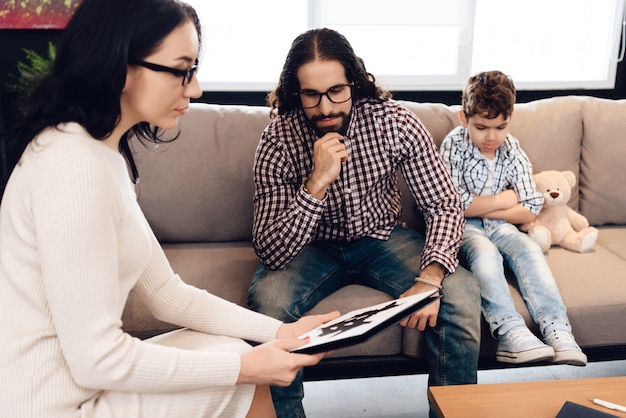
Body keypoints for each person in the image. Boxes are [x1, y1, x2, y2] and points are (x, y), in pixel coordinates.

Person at [0, 1, 339, 417]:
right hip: (52, 404)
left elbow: (167, 294)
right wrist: (244, 367)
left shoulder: (99, 154)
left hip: (78, 382)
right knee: (244, 378)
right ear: (119, 67)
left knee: (236, 360)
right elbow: (98, 359)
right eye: (182, 70)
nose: (194, 89)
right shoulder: (76, 168)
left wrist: (281, 332)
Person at [247, 28, 481, 418]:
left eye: (336, 90)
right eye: (311, 95)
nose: (325, 108)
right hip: (311, 248)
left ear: (353, 82)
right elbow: (271, 250)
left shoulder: (394, 122)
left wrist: (429, 280)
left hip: (382, 238)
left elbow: (443, 203)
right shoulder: (277, 139)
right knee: (266, 307)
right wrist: (317, 182)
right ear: (295, 93)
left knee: (459, 294)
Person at [439, 70, 587, 366]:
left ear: (509, 120)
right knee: (486, 256)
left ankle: (557, 329)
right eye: (481, 127)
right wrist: (504, 199)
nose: (491, 136)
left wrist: (487, 207)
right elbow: (453, 203)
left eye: (500, 127)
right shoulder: (454, 145)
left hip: (504, 227)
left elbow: (531, 204)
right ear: (463, 118)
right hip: (465, 228)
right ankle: (510, 333)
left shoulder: (511, 148)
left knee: (530, 251)